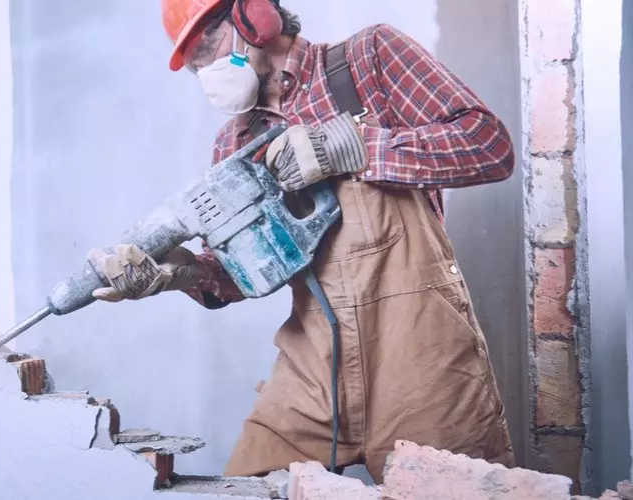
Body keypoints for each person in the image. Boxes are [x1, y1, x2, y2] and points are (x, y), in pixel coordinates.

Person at [87, 0, 517, 483]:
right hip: (314, 366)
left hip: (422, 359)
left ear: (254, 15)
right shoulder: (235, 145)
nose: (205, 72)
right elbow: (246, 273)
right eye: (193, 65)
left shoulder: (368, 60)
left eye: (206, 46)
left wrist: (352, 147)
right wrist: (182, 275)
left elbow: (488, 145)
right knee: (245, 487)